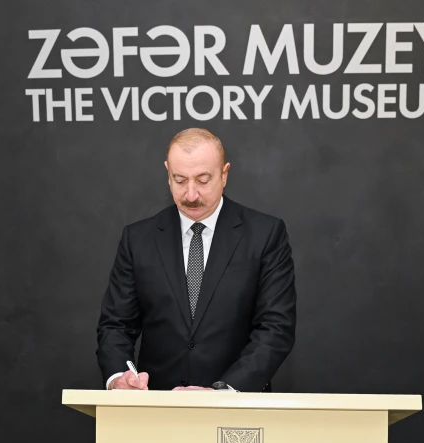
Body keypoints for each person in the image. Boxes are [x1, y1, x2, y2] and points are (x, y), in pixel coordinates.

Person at [96, 128, 296, 392]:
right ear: (168, 173)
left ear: (224, 174)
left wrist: (223, 391)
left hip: (236, 406)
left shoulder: (265, 234)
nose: (191, 195)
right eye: (179, 180)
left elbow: (275, 328)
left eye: (203, 180)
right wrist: (119, 377)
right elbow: (116, 325)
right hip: (157, 406)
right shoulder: (138, 239)